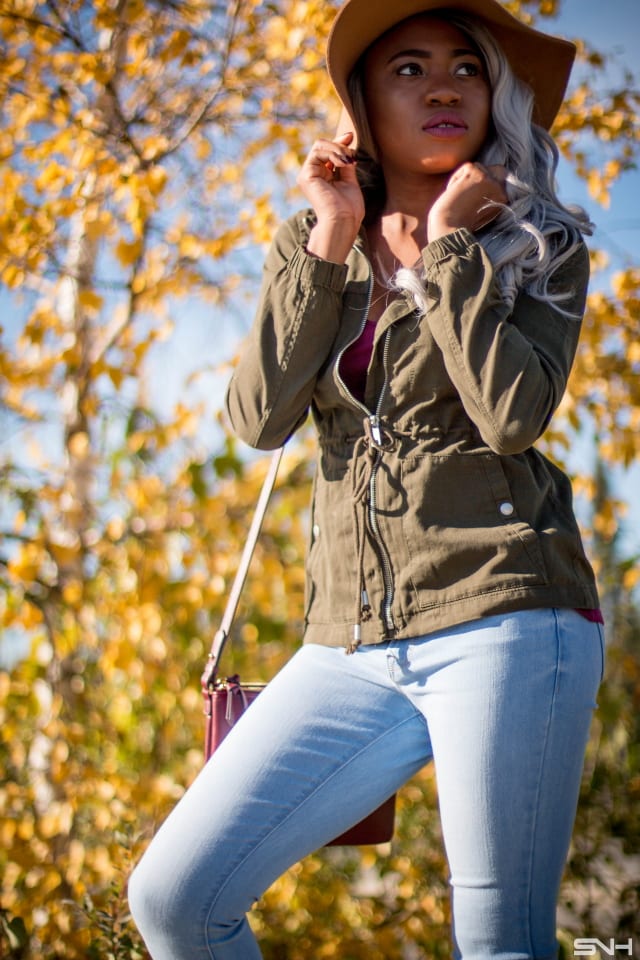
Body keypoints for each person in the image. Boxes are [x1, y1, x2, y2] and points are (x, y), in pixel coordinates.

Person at [128, 1, 605, 956]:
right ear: (359, 106)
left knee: (498, 942)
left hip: (506, 613)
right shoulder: (317, 241)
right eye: (407, 68)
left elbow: (512, 416)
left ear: (493, 97)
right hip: (349, 640)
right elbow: (259, 420)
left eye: (466, 68)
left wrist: (449, 254)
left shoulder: (541, 247)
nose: (441, 85)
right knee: (176, 898)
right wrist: (334, 232)